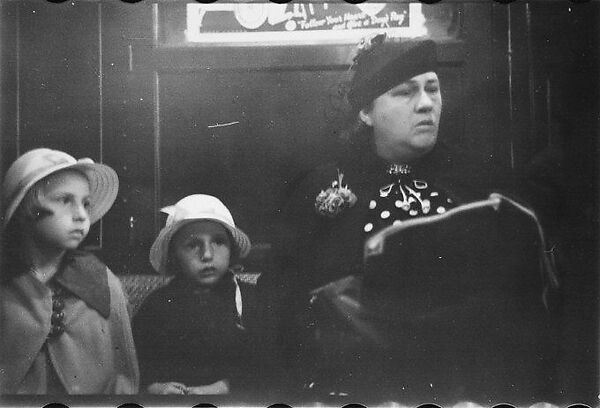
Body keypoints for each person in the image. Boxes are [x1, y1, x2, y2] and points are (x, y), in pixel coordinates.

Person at [261, 34, 555, 403]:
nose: (426, 104)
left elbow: (522, 302)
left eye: (432, 89)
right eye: (405, 93)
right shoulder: (321, 186)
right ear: (366, 112)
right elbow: (283, 300)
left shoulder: (482, 183)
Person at [0, 148, 139, 394]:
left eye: (85, 203)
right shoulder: (7, 283)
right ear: (26, 209)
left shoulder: (102, 281)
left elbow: (123, 374)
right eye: (65, 200)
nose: (82, 215)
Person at [133, 194, 278, 398]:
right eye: (193, 245)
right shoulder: (158, 305)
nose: (207, 255)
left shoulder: (252, 300)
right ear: (174, 254)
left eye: (218, 242)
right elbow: (137, 365)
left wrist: (224, 387)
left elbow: (271, 365)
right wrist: (155, 388)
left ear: (231, 249)